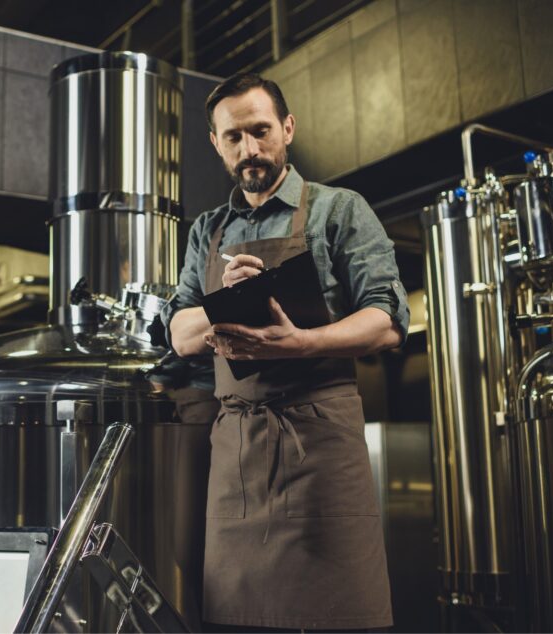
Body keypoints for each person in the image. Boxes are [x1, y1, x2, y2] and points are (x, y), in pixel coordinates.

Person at [160, 73, 409, 632]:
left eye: (261, 131)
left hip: (318, 440)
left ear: (288, 128)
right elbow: (179, 332)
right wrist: (229, 301)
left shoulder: (339, 210)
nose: (250, 150)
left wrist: (302, 343)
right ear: (214, 143)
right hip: (238, 452)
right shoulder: (207, 230)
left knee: (339, 616)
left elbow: (385, 321)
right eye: (233, 138)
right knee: (235, 619)